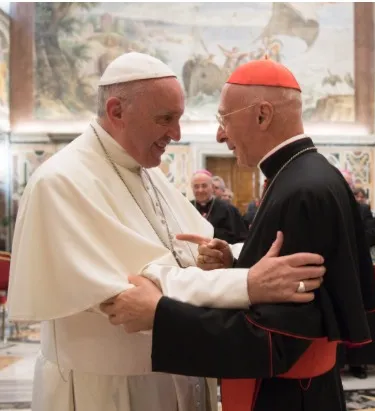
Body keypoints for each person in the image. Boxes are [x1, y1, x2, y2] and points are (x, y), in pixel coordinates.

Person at [7, 52, 326, 411]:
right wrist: (247, 283)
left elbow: (173, 261)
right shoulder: (60, 182)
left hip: (180, 366)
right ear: (116, 111)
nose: (176, 134)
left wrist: (221, 258)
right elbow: (127, 297)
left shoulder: (147, 170)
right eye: (165, 119)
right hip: (108, 390)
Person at [102, 57, 375, 411]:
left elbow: (274, 338)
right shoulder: (308, 174)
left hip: (285, 397)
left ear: (262, 115)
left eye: (223, 119)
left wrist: (160, 314)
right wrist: (236, 261)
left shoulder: (302, 191)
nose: (220, 135)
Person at [339, 169, 375, 379]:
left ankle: (358, 363)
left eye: (348, 184)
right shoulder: (328, 207)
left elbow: (372, 235)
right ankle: (337, 362)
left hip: (357, 271)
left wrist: (347, 240)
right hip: (335, 273)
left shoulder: (362, 209)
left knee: (360, 315)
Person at [191, 170, 248, 244]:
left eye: (204, 186)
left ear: (212, 187)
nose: (200, 190)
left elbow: (240, 239)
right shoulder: (185, 207)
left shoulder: (229, 209)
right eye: (196, 186)